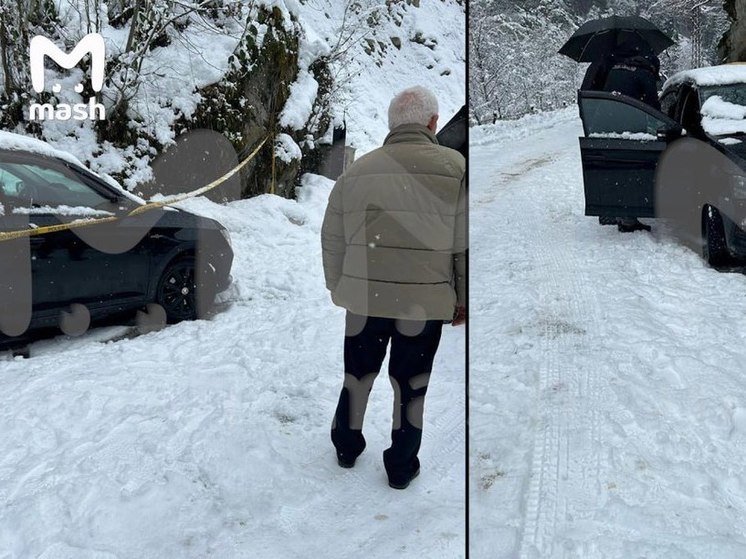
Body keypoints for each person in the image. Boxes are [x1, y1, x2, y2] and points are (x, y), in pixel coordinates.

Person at [321, 85, 466, 490]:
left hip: (365, 300)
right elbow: (462, 244)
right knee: (411, 383)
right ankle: (401, 466)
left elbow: (332, 236)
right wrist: (462, 299)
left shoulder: (358, 171)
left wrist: (339, 286)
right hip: (424, 304)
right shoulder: (455, 169)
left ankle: (346, 446)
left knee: (358, 373)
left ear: (391, 125)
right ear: (433, 123)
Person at [603, 40, 661, 232]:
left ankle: (612, 211)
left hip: (607, 125)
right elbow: (653, 105)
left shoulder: (615, 68)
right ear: (653, 66)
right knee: (632, 169)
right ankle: (627, 220)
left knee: (615, 169)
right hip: (630, 126)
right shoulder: (645, 74)